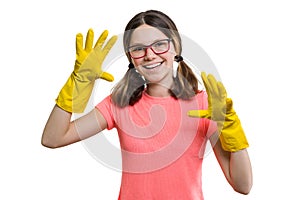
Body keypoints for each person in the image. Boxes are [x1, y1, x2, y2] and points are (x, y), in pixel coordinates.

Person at [42, 10, 252, 200]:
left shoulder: (205, 105)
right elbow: (53, 138)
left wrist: (232, 129)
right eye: (138, 49)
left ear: (176, 46)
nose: (150, 55)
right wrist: (78, 83)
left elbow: (243, 185)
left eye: (160, 44)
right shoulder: (119, 104)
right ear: (130, 58)